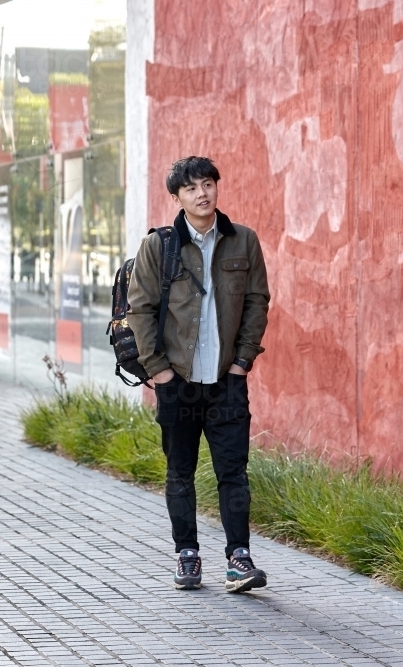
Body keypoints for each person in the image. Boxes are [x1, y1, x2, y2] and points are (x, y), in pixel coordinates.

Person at [127, 156, 271, 593]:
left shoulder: (243, 241)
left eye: (208, 184)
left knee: (234, 471)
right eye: (191, 188)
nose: (202, 193)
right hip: (179, 383)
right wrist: (160, 373)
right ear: (177, 197)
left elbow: (257, 303)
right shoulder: (159, 246)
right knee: (180, 471)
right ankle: (187, 555)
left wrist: (242, 362)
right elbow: (141, 310)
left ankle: (239, 559)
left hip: (226, 381)